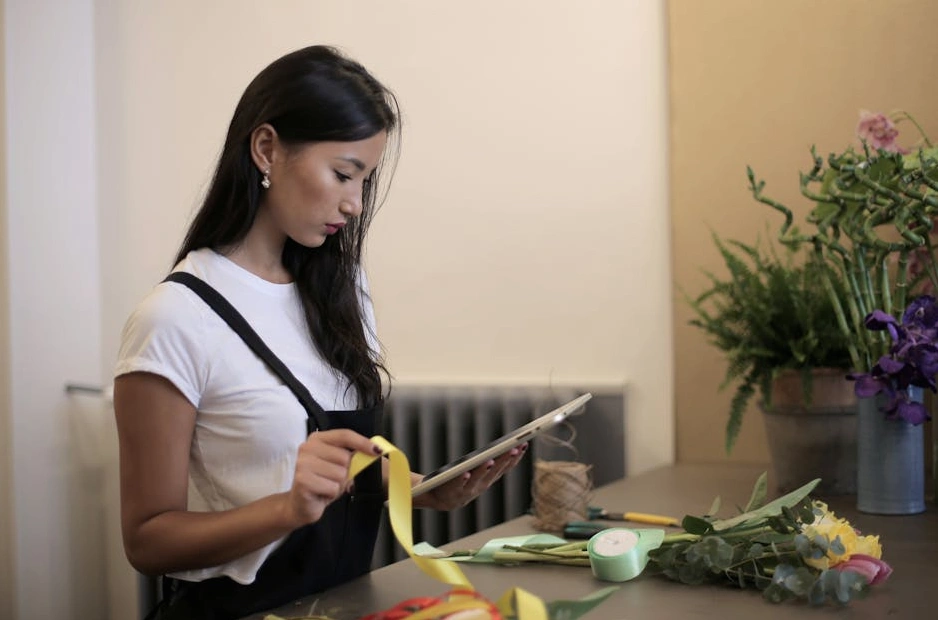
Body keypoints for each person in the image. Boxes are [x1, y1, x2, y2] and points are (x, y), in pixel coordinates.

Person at [113, 45, 527, 620]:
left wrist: (418, 487)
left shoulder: (340, 289)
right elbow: (147, 540)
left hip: (342, 604)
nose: (355, 204)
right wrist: (287, 509)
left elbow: (338, 462)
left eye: (365, 181)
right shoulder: (174, 319)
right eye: (343, 174)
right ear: (267, 150)